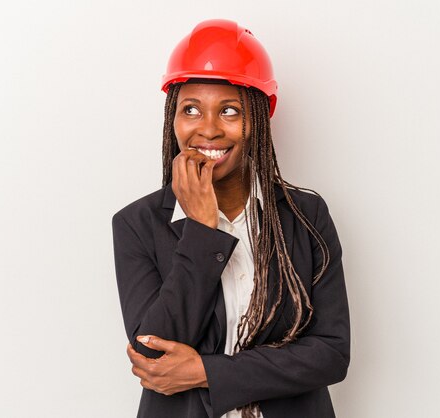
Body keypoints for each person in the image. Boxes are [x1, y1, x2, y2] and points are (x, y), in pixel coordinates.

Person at [111, 19, 350, 418]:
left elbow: (330, 352)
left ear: (257, 119)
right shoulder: (137, 224)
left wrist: (206, 371)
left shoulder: (305, 216)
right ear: (173, 119)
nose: (207, 129)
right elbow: (152, 353)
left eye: (229, 111)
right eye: (191, 109)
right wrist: (202, 231)